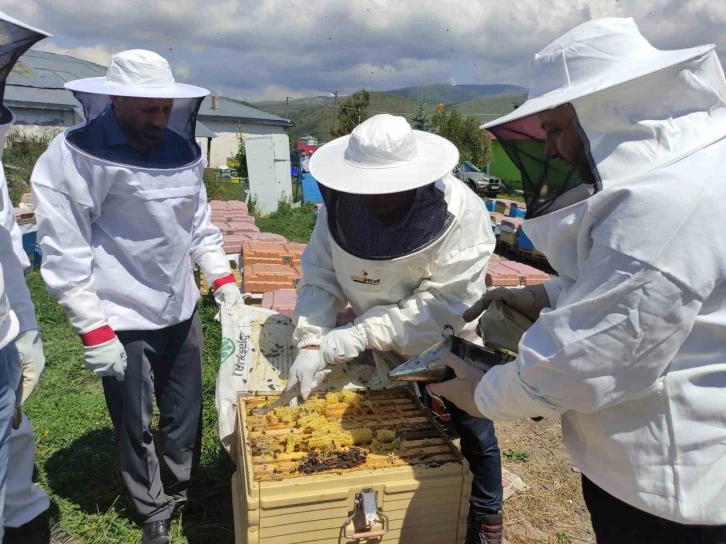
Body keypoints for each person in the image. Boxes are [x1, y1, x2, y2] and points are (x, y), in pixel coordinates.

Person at [430, 17, 726, 543]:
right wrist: (542, 294)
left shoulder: (669, 204)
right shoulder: (691, 174)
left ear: (604, 110)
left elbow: (592, 356)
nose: (551, 150)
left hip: (672, 485)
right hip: (659, 463)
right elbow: (641, 289)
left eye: (555, 129)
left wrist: (484, 393)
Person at [32, 50, 242, 544]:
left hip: (180, 304)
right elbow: (64, 248)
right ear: (117, 99)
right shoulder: (72, 157)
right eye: (148, 110)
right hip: (120, 312)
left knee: (185, 409)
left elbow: (198, 226)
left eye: (166, 108)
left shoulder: (182, 151)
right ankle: (152, 508)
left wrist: (222, 280)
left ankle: (180, 483)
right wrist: (92, 327)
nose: (160, 119)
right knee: (133, 419)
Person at [284, 114, 505, 544]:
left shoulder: (462, 213)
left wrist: (358, 334)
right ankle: (411, 509)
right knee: (403, 432)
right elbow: (320, 275)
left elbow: (444, 305)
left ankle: (486, 516)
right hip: (377, 342)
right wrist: (311, 340)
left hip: (447, 338)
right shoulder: (337, 210)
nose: (374, 200)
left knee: (475, 425)